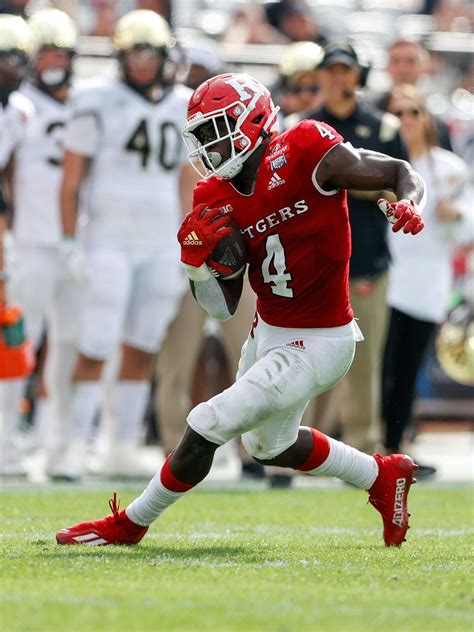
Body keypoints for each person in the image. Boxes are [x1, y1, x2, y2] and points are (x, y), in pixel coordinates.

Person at [57, 71, 424, 549]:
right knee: (267, 446)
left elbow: (397, 172)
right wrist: (195, 267)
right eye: (202, 134)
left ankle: (131, 523)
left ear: (251, 120)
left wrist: (409, 203)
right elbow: (223, 306)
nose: (209, 144)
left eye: (216, 128)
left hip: (322, 339)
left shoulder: (305, 147)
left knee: (208, 421)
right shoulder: (212, 195)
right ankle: (381, 475)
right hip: (266, 333)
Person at [57, 9, 196, 480]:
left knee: (142, 344)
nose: (142, 62)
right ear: (120, 55)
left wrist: (185, 241)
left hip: (158, 242)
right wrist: (70, 240)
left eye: (150, 53)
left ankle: (120, 444)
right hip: (107, 240)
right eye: (135, 52)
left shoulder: (182, 103)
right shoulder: (95, 97)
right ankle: (74, 444)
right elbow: (71, 181)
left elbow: (185, 181)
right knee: (95, 343)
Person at [305, 42, 408, 454]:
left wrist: (346, 183)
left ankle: (365, 450)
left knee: (365, 365)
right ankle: (295, 447)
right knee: (303, 362)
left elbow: (399, 187)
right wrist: (362, 182)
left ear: (357, 75)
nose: (337, 78)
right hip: (312, 266)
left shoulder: (384, 129)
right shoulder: (303, 126)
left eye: (344, 70)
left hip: (365, 262)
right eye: (331, 70)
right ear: (320, 75)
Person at [1, 9, 81, 477]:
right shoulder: (19, 106)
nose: (53, 62)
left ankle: (60, 445)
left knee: (70, 343)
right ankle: (5, 442)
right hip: (28, 238)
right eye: (44, 53)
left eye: (60, 53)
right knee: (18, 343)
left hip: (76, 240)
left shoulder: (87, 102)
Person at [382, 84, 471, 468]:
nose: (406, 120)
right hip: (386, 276)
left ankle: (397, 443)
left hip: (428, 279)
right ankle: (372, 442)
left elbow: (468, 227)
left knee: (408, 367)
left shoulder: (449, 168)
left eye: (413, 112)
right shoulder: (378, 163)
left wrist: (457, 215)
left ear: (426, 118)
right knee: (380, 366)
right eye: (397, 113)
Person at [0, 13, 34, 476]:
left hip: (6, 233)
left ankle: (7, 439)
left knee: (10, 337)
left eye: (15, 59)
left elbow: (7, 181)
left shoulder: (19, 111)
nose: (9, 67)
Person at [371, 38, 453, 152]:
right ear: (387, 67)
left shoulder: (437, 127)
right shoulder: (370, 116)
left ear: (424, 67)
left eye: (411, 61)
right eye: (396, 61)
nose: (403, 69)